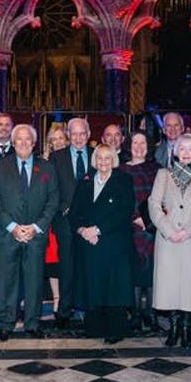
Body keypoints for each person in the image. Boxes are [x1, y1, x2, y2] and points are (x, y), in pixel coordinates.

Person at [0, 124, 59, 341]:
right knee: (7, 282)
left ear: (34, 142)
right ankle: (6, 323)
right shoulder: (0, 167)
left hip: (35, 235)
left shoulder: (46, 167)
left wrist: (36, 227)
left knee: (34, 281)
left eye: (28, 139)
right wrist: (12, 227)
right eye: (19, 139)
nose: (23, 143)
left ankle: (32, 322)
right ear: (13, 142)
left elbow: (53, 200)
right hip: (7, 234)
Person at [148, 134, 191, 348]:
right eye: (182, 148)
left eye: (190, 149)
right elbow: (154, 205)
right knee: (169, 285)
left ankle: (186, 328)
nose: (186, 153)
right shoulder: (163, 174)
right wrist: (169, 231)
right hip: (168, 239)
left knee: (189, 285)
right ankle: (173, 328)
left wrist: (188, 230)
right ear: (176, 151)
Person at [69, 145, 135, 344]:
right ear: (94, 160)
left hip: (113, 242)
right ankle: (94, 327)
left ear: (114, 159)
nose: (103, 161)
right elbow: (74, 213)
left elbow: (124, 211)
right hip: (89, 243)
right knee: (92, 285)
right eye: (99, 157)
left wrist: (97, 230)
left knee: (114, 287)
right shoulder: (85, 182)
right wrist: (82, 230)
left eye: (108, 158)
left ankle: (115, 329)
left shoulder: (123, 180)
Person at [48, 117, 92, 329]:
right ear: (68, 135)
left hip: (91, 222)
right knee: (66, 266)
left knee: (89, 265)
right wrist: (62, 207)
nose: (78, 138)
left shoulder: (97, 156)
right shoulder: (57, 157)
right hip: (64, 220)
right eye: (73, 134)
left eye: (82, 133)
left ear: (88, 134)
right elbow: (51, 189)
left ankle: (88, 307)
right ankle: (64, 310)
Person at [118, 131, 161, 331]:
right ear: (129, 145)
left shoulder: (158, 169)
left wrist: (151, 219)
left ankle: (150, 313)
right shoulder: (120, 170)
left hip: (156, 226)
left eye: (143, 142)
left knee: (153, 272)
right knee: (134, 273)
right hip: (131, 227)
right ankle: (134, 314)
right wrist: (136, 218)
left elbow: (165, 197)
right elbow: (120, 201)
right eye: (135, 142)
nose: (138, 146)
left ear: (149, 146)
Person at [42, 121, 69, 314]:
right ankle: (57, 298)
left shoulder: (73, 159)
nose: (58, 142)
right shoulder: (44, 162)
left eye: (61, 138)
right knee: (53, 260)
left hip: (67, 218)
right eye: (54, 139)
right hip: (50, 218)